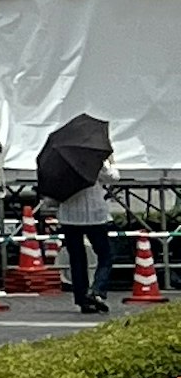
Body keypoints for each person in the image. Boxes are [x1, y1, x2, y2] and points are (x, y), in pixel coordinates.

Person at [33, 110, 121, 315]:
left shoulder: (59, 170)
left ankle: (82, 300)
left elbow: (51, 197)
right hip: (95, 216)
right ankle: (97, 290)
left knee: (77, 258)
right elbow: (114, 178)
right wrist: (112, 161)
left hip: (70, 217)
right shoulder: (93, 163)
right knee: (106, 255)